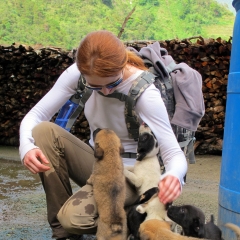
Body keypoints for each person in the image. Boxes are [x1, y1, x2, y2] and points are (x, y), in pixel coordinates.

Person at [19, 30, 187, 240]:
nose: (106, 92)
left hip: (133, 175)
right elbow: (36, 114)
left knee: (73, 218)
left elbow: (174, 154)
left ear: (122, 65)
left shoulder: (145, 93)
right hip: (100, 163)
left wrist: (173, 176)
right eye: (95, 86)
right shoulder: (78, 75)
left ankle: (138, 220)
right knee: (42, 131)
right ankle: (62, 234)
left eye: (113, 83)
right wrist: (26, 146)